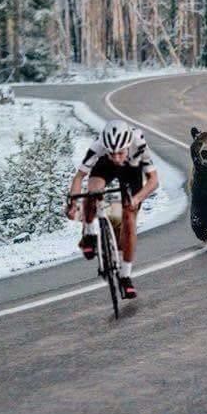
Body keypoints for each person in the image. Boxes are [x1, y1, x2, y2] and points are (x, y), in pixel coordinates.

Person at [67, 119, 159, 299]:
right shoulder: (99, 145)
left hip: (132, 169)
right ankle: (89, 233)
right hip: (104, 167)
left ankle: (125, 276)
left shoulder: (139, 143)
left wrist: (137, 198)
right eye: (113, 153)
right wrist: (73, 203)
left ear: (128, 146)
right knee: (92, 191)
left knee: (129, 221)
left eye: (120, 153)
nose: (117, 157)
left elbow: (153, 180)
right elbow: (79, 177)